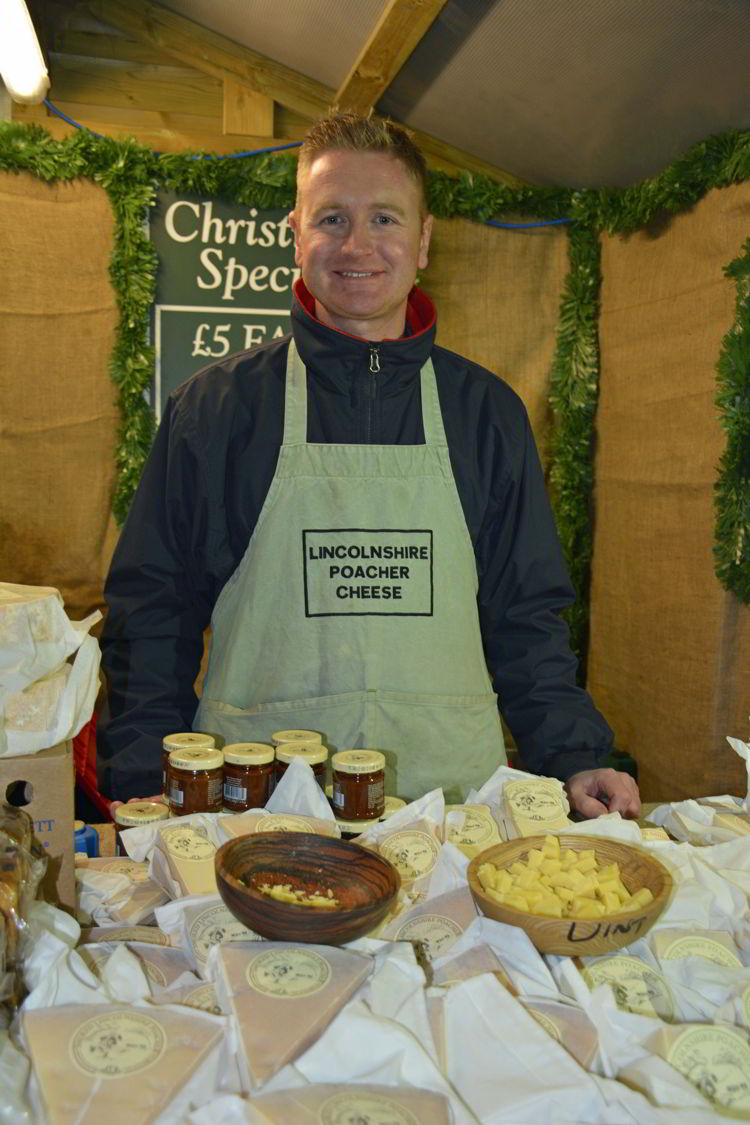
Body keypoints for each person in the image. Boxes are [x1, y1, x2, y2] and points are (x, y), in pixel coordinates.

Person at [99, 112, 640, 819]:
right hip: (255, 809)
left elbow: (525, 614)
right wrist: (144, 769)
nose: (358, 245)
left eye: (384, 219)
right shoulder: (218, 408)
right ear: (296, 235)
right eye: (332, 219)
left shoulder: (485, 412)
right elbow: (154, 611)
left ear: (422, 241)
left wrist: (573, 754)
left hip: (446, 810)